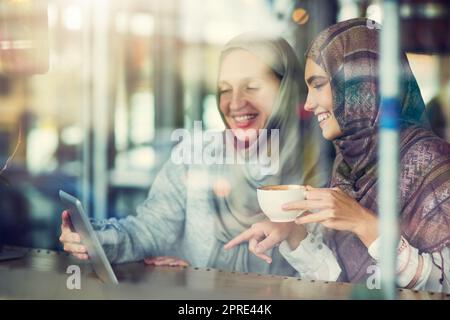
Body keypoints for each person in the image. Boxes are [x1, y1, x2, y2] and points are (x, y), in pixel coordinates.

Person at [59, 32, 326, 275]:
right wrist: (96, 238)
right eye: (224, 90)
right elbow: (149, 231)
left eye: (251, 87)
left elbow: (331, 276)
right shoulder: (196, 154)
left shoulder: (321, 169)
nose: (234, 103)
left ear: (286, 91)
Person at [226, 18, 450, 292]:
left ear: (360, 84)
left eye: (318, 84)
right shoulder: (349, 164)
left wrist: (365, 224)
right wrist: (294, 234)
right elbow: (341, 282)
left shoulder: (432, 162)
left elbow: (444, 286)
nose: (308, 104)